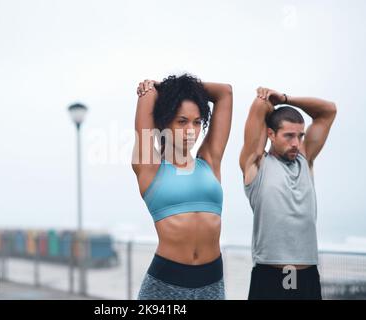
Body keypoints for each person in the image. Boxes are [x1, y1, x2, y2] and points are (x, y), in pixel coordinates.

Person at [131, 74, 232, 300]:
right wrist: (163, 90)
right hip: (165, 285)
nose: (191, 130)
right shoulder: (149, 166)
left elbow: (224, 93)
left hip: (212, 282)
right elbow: (148, 97)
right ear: (164, 122)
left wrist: (179, 88)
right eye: (182, 121)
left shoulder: (210, 162)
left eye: (197, 122)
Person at [239, 87, 337, 299]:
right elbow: (259, 105)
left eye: (300, 136)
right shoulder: (256, 163)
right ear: (271, 134)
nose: (296, 143)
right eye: (289, 136)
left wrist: (286, 99)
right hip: (269, 275)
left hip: (307, 275)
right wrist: (267, 99)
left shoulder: (305, 159)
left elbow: (328, 111)